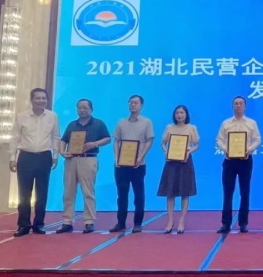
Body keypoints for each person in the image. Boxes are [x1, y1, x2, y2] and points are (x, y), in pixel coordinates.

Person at [9, 88, 60, 237]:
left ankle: (39, 224)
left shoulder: (52, 116)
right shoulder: (22, 116)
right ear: (31, 100)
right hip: (26, 157)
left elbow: (55, 137)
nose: (41, 101)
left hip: (44, 157)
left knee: (42, 193)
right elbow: (15, 137)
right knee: (24, 193)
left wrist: (55, 155)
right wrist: (12, 158)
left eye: (44, 98)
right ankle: (23, 225)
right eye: (38, 98)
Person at [56, 99, 110, 234]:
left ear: (91, 109)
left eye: (85, 107)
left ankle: (89, 222)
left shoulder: (98, 123)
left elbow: (107, 139)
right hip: (71, 160)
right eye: (79, 108)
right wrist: (62, 152)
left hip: (88, 159)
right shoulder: (72, 124)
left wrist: (95, 144)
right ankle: (67, 221)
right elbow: (63, 140)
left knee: (88, 192)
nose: (82, 110)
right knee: (68, 192)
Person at [216, 96, 261, 233]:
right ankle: (226, 223)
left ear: (245, 106)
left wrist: (249, 149)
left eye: (241, 103)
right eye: (236, 103)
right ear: (232, 106)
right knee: (228, 192)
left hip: (245, 160)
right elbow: (219, 140)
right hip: (229, 161)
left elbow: (257, 140)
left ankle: (243, 223)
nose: (238, 105)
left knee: (245, 192)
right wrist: (226, 149)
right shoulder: (226, 123)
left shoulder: (251, 123)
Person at [110, 95, 154, 233]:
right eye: (131, 102)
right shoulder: (121, 122)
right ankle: (121, 223)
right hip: (121, 164)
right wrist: (117, 157)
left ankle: (138, 223)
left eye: (135, 103)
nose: (133, 105)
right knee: (121, 195)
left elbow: (149, 141)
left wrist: (141, 157)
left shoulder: (146, 122)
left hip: (138, 164)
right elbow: (116, 141)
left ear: (141, 105)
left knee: (138, 195)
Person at [157, 105, 199, 234]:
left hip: (185, 162)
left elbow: (196, 144)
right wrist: (166, 151)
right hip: (171, 162)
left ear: (186, 114)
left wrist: (189, 151)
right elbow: (163, 143)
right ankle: (170, 221)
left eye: (182, 113)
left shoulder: (192, 128)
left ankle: (181, 221)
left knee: (185, 192)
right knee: (170, 192)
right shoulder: (169, 127)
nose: (179, 115)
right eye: (177, 113)